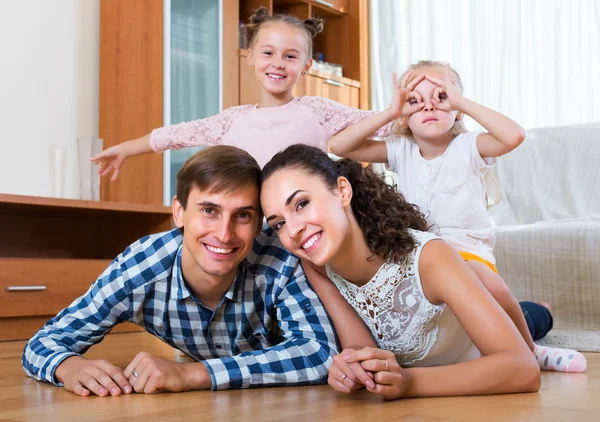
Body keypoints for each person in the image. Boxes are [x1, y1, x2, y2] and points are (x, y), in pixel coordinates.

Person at [21, 146, 353, 397]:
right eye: (209, 210)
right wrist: (68, 365)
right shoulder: (141, 268)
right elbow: (42, 343)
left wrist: (194, 375)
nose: (224, 234)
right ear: (179, 213)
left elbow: (319, 352)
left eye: (242, 216)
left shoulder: (279, 256)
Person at [260, 144, 578, 400]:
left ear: (342, 191)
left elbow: (522, 370)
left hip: (475, 349)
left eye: (301, 204)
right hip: (444, 348)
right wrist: (353, 365)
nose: (294, 230)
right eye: (279, 223)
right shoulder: (316, 266)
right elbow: (358, 345)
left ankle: (540, 328)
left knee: (491, 285)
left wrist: (409, 382)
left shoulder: (429, 256)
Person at [327, 60, 587, 373]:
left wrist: (461, 101)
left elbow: (514, 135)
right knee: (474, 325)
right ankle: (536, 313)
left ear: (457, 109)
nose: (428, 107)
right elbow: (338, 145)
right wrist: (390, 112)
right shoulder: (400, 149)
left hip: (467, 254)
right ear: (405, 116)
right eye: (414, 101)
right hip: (421, 257)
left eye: (441, 96)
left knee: (493, 287)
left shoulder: (470, 146)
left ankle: (530, 350)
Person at [91, 7, 391, 175]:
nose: (278, 64)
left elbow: (378, 121)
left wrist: (424, 112)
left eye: (290, 56)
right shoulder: (234, 119)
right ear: (250, 57)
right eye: (268, 53)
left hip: (302, 232)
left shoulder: (317, 111)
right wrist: (127, 149)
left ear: (306, 66)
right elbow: (177, 134)